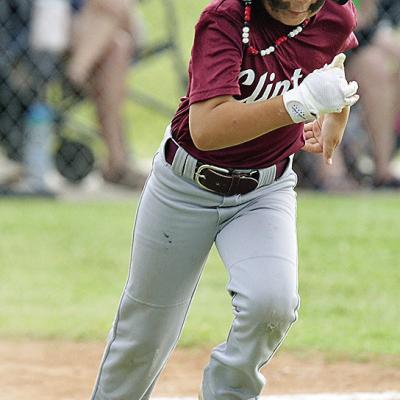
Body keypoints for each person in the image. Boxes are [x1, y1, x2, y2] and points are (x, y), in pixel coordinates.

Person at [90, 0, 359, 399]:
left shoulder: (335, 13)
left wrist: (336, 111)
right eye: (287, 5)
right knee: (145, 332)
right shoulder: (225, 21)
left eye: (307, 5)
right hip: (185, 186)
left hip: (265, 189)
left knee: (272, 304)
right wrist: (298, 104)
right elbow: (207, 129)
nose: (299, 10)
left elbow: (332, 63)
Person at [67, 0, 147, 189]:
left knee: (118, 41)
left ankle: (76, 73)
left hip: (110, 32)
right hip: (63, 28)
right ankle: (117, 162)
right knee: (117, 41)